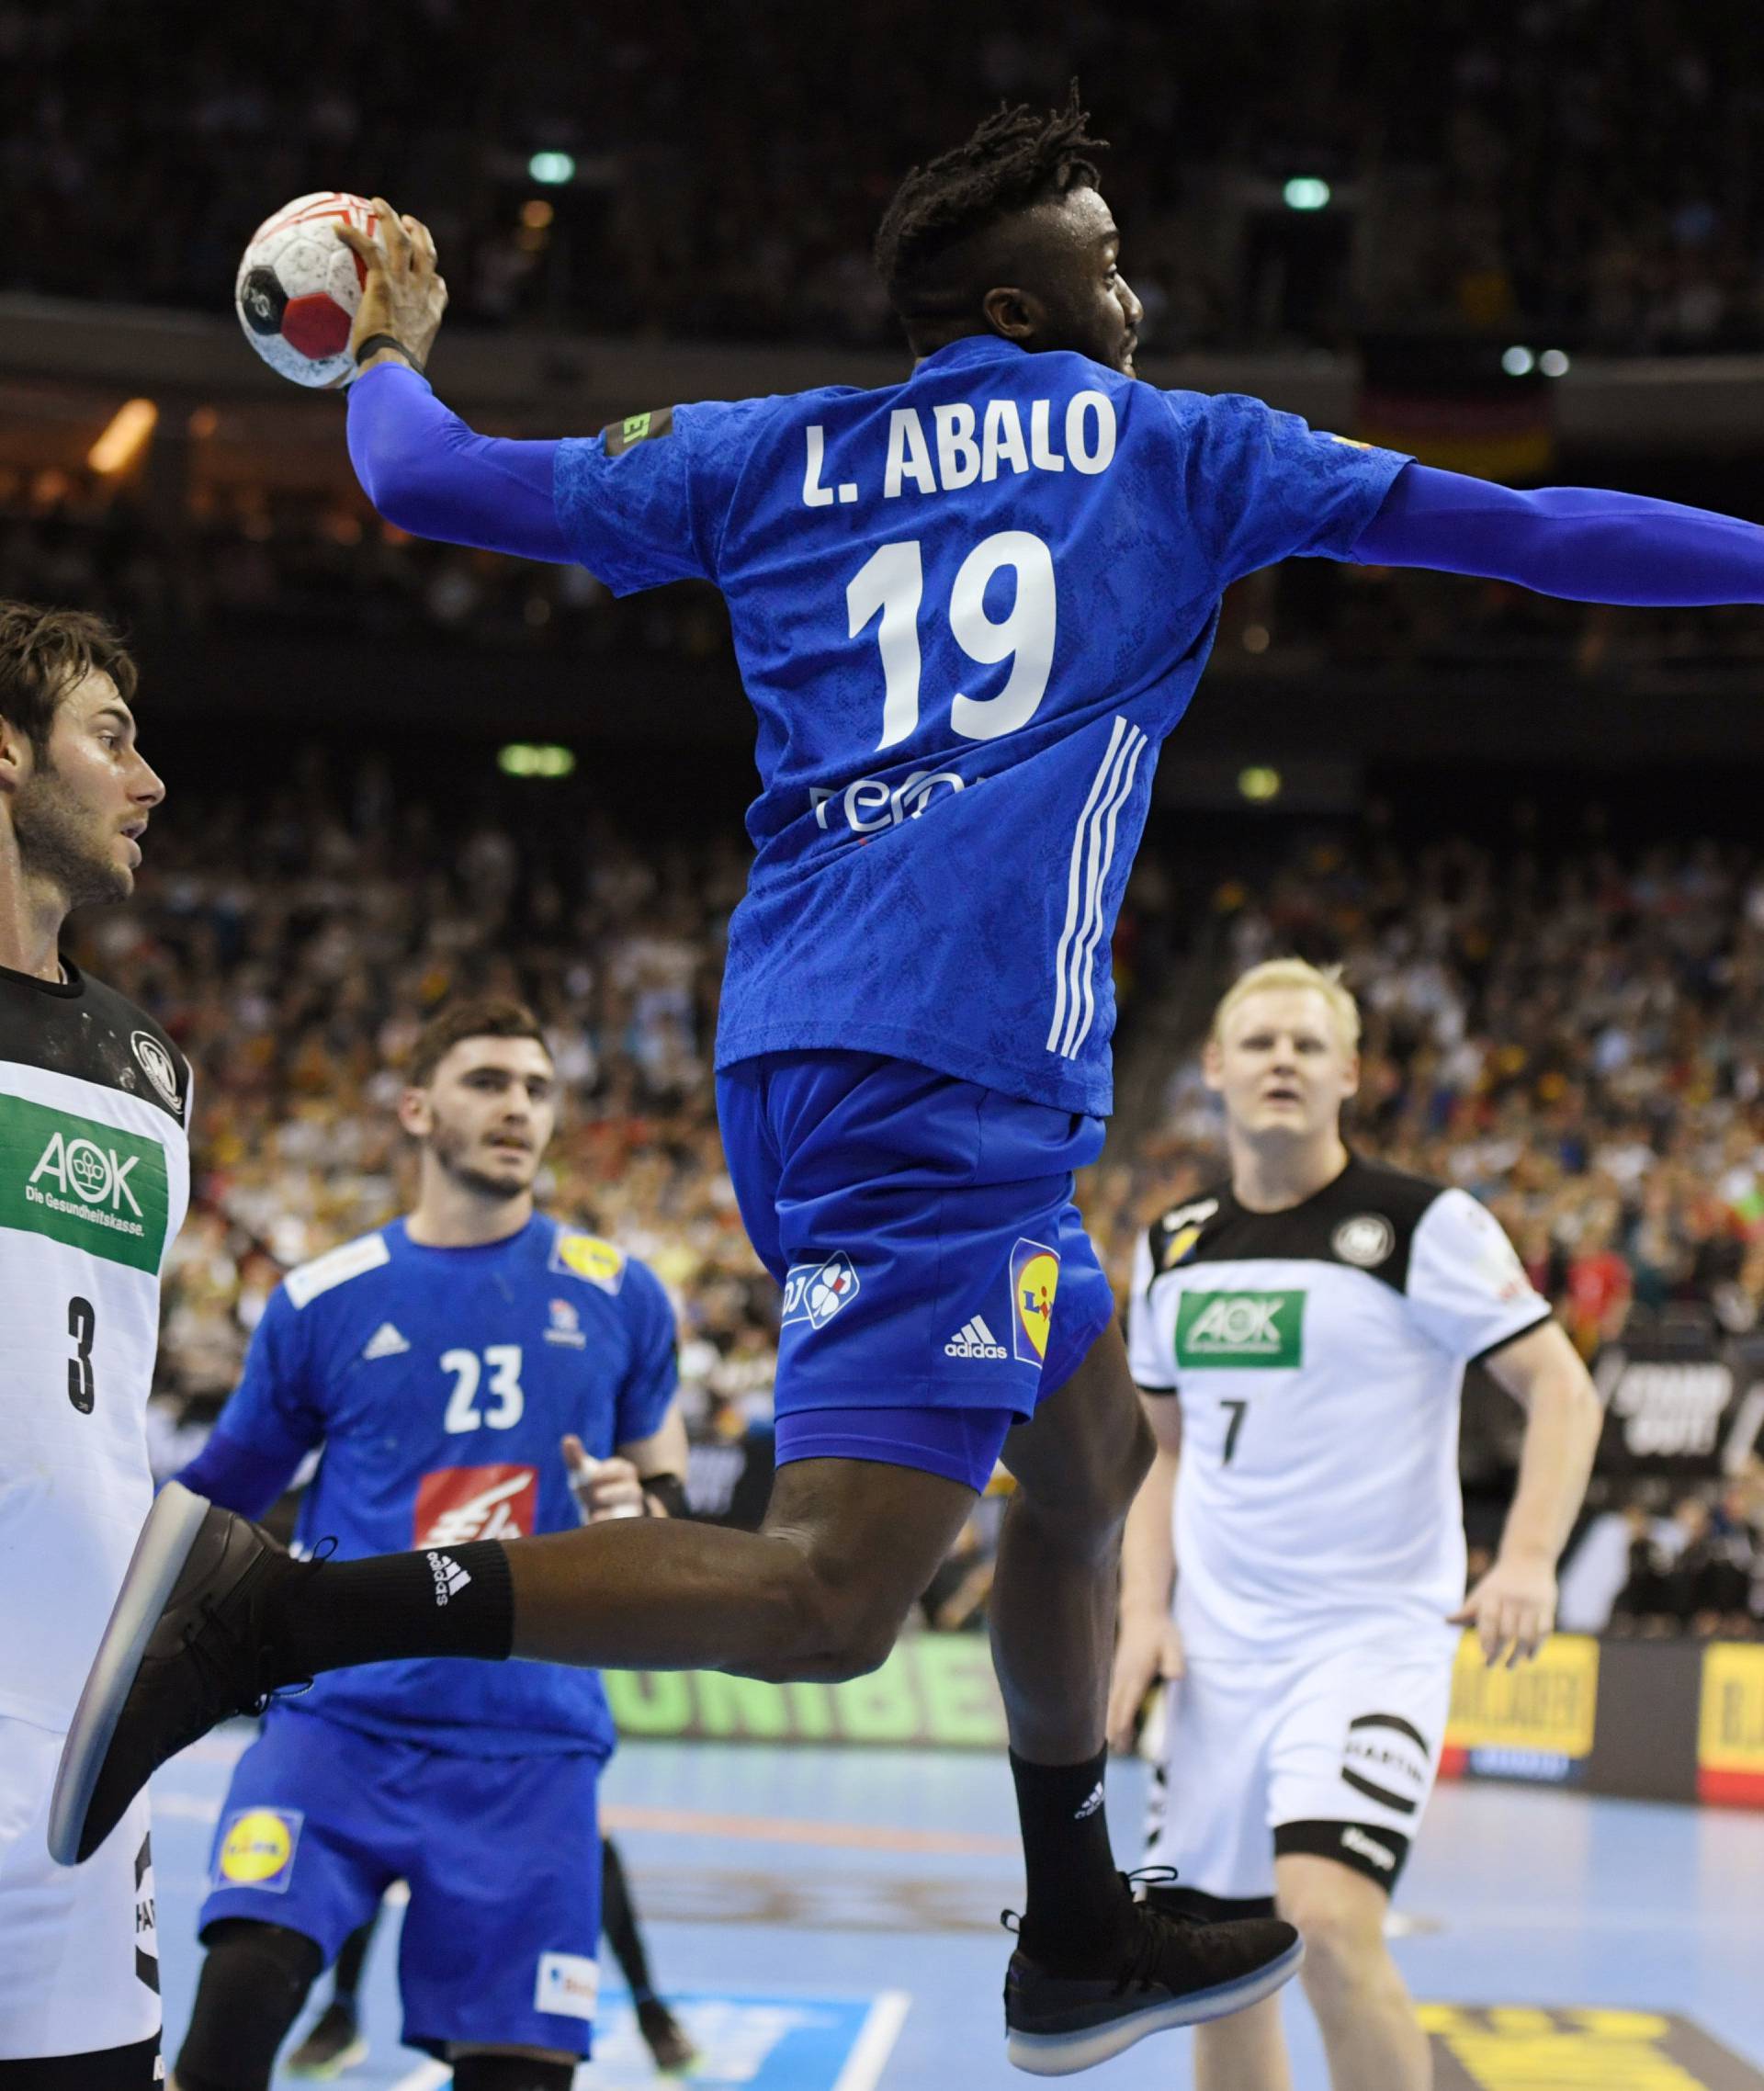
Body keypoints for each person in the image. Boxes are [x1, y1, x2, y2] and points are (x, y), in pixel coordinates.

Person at [55, 88, 1764, 2074]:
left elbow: (433, 487)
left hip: (860, 1056)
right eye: (1108, 263)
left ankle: (1076, 1913)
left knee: (1092, 1454)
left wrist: (390, 359)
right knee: (832, 1600)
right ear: (1022, 311)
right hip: (930, 1086)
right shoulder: (1179, 447)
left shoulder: (777, 452)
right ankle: (277, 1620)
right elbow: (1538, 534)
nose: (1139, 290)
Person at [163, 1000, 691, 2091]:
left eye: (539, 1089)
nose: (519, 1107)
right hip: (340, 1725)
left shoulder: (621, 1293)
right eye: (489, 1080)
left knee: (518, 2075)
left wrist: (638, 1508)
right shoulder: (321, 1300)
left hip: (531, 1747)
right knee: (233, 2014)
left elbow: (665, 1504)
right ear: (416, 1108)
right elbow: (219, 1499)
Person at [1106, 960, 1604, 2091]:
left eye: (1308, 1044)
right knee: (1213, 1967)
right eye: (1261, 1040)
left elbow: (1564, 1391)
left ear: (1351, 1076)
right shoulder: (1173, 1245)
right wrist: (1142, 1613)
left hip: (1370, 1638)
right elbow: (1161, 1452)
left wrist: (1527, 1555)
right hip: (1219, 1657)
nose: (1283, 1058)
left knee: (1326, 1921)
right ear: (1216, 1067)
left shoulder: (1424, 1225)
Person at [0, 603, 182, 2087]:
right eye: (109, 737)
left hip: (83, 1765)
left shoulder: (150, 1070)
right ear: (4, 755)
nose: (149, 779)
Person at [285, 1836, 695, 2078]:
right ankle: (341, 2012)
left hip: (504, 1757)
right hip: (416, 1756)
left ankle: (648, 2006)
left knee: (593, 1842)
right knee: (371, 1844)